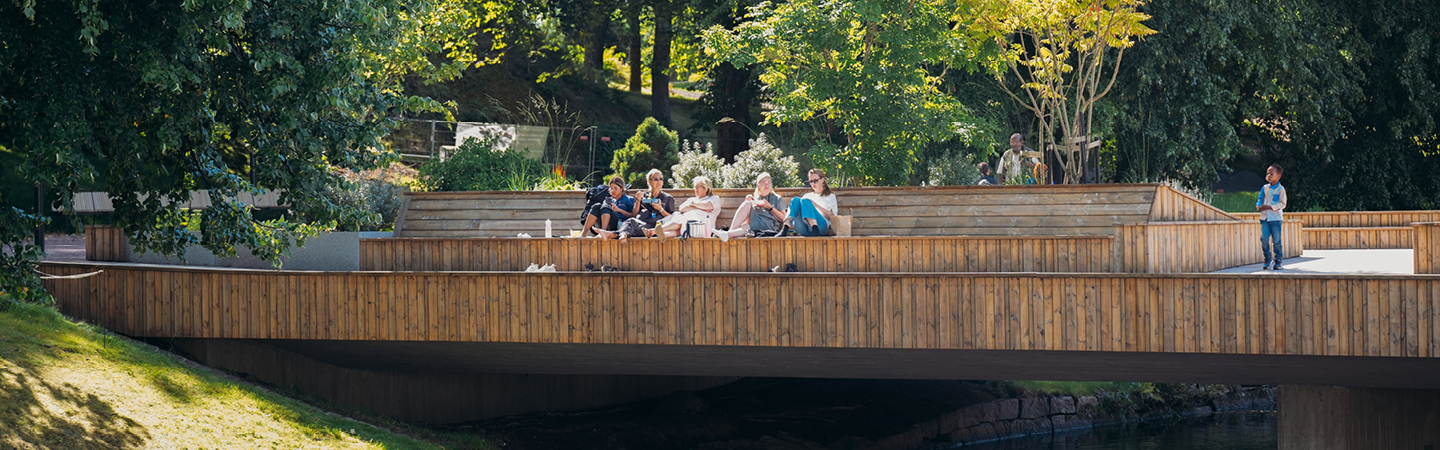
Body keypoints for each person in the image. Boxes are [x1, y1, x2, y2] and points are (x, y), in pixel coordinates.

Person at [596, 169, 674, 241]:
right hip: (640, 223)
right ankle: (620, 234)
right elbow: (634, 214)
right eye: (656, 179)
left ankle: (615, 234)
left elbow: (672, 218)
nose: (659, 181)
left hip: (655, 226)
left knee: (631, 225)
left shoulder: (667, 198)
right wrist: (638, 200)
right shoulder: (643, 195)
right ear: (649, 181)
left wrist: (660, 209)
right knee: (631, 222)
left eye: (661, 179)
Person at [713, 172, 787, 242]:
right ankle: (728, 234)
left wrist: (770, 208)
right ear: (758, 185)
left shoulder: (777, 198)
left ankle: (728, 233)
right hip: (754, 225)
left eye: (769, 182)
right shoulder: (755, 198)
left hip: (769, 225)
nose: (766, 185)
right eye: (764, 182)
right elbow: (745, 222)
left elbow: (784, 218)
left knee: (748, 218)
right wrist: (748, 202)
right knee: (747, 208)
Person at [652, 175, 720, 239]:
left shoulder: (713, 198)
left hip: (701, 229)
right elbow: (682, 208)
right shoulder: (692, 199)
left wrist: (693, 205)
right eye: (694, 187)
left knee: (681, 221)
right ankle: (661, 234)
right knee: (679, 227)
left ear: (705, 188)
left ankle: (654, 231)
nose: (695, 189)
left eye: (697, 187)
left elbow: (708, 206)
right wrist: (699, 206)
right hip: (686, 229)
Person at [782, 168, 838, 237]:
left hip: (821, 227)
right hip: (803, 227)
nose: (813, 183)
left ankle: (815, 228)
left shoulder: (830, 196)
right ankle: (785, 229)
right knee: (795, 200)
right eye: (811, 181)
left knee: (806, 201)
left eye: (815, 181)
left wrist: (815, 205)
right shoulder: (807, 195)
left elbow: (832, 217)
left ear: (822, 180)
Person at [1256, 164, 1288, 270]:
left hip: (1276, 219)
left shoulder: (1280, 189)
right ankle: (1267, 258)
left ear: (1278, 176)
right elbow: (1260, 198)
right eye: (1267, 174)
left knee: (1276, 240)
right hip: (1264, 218)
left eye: (1271, 174)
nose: (1268, 176)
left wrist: (1271, 207)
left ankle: (1278, 260)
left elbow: (1283, 204)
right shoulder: (1265, 188)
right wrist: (1259, 205)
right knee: (1264, 238)